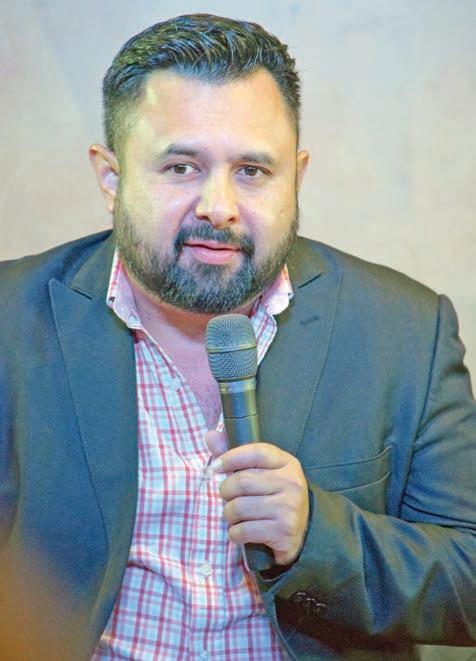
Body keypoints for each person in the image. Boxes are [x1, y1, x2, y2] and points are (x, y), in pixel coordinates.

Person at [0, 12, 474, 661]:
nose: (218, 206)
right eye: (181, 167)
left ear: (296, 177)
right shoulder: (10, 317)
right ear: (111, 178)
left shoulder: (406, 331)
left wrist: (317, 535)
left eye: (252, 170)